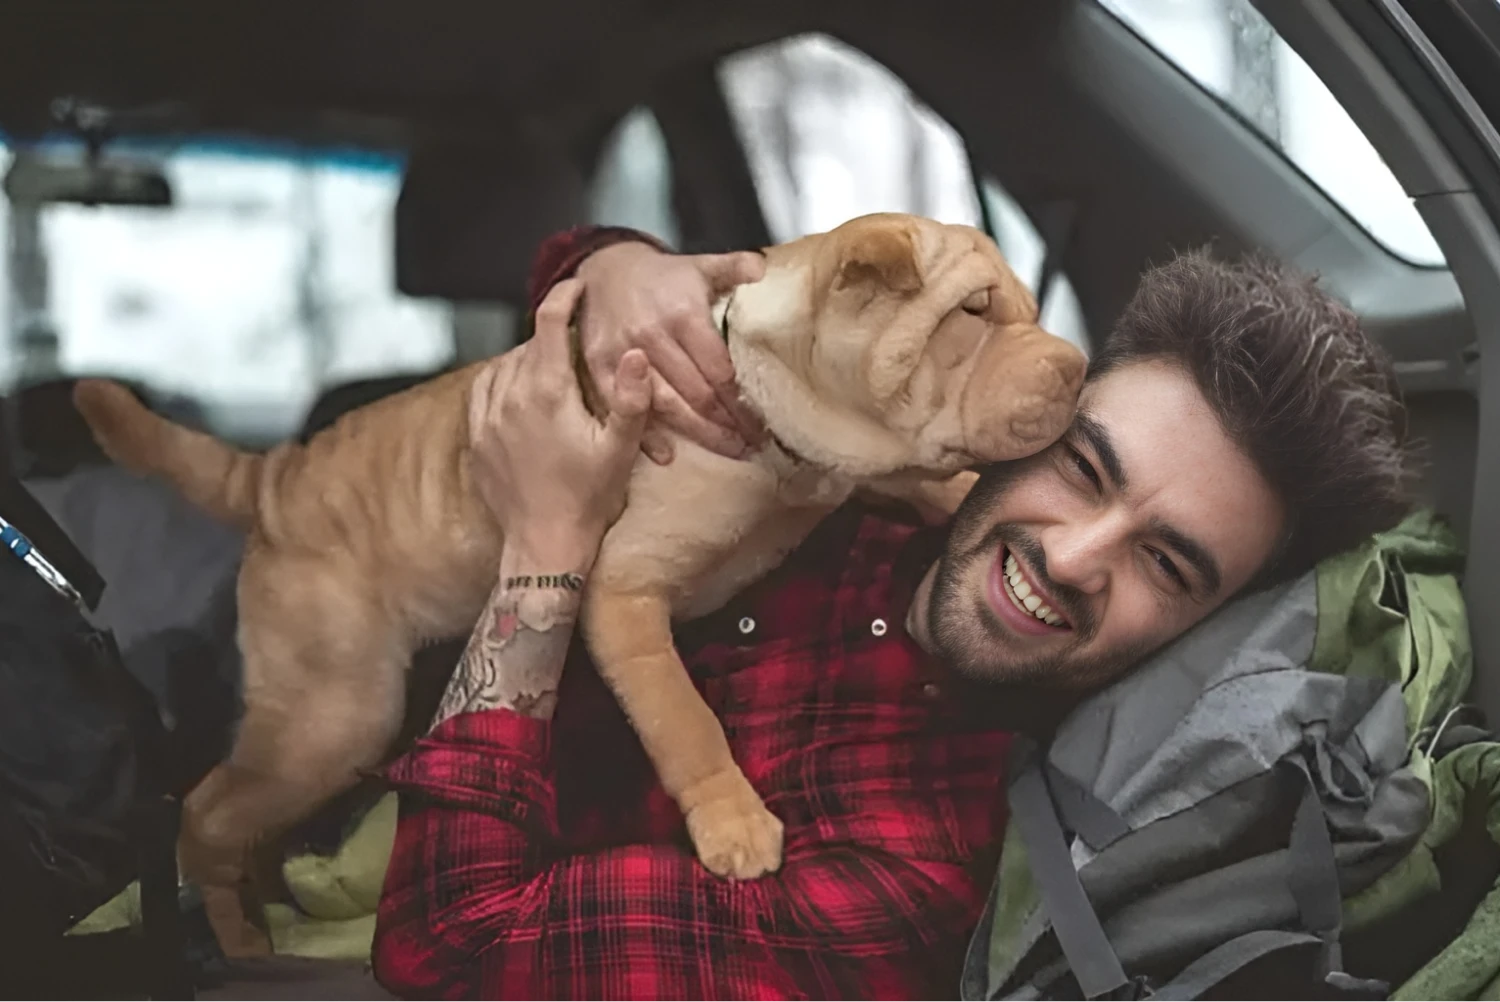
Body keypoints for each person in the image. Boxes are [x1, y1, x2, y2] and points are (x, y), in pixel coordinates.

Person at [372, 226, 1415, 1000]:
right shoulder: (872, 467)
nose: (1070, 554)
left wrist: (541, 550)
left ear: (1201, 634)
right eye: (1085, 467)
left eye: (1167, 565)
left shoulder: (912, 868)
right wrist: (619, 267)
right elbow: (801, 295)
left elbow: (447, 954)